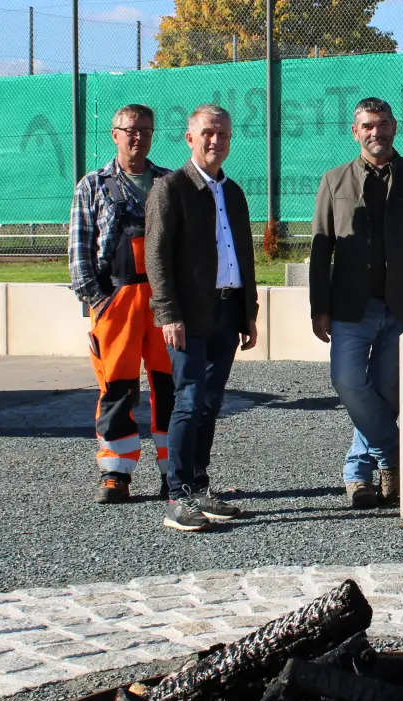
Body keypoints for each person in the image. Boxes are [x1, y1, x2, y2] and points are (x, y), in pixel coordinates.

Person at [310, 97, 403, 510]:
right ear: (355, 132)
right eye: (368, 125)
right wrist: (319, 307)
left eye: (383, 123)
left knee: (387, 390)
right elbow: (320, 248)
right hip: (351, 306)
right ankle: (391, 455)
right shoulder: (334, 180)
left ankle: (358, 474)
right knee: (347, 381)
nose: (377, 132)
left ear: (395, 126)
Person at [144, 105, 260, 532]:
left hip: (227, 311)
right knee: (189, 400)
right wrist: (167, 313)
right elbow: (156, 256)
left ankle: (199, 485)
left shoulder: (234, 193)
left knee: (210, 403)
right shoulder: (170, 188)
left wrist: (249, 313)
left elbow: (243, 257)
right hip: (187, 315)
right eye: (208, 133)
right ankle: (176, 496)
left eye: (223, 134)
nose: (216, 141)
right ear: (190, 137)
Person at [69, 103, 173, 504]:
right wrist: (99, 301)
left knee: (170, 387)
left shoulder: (169, 182)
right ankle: (115, 472)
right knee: (116, 388)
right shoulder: (93, 185)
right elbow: (79, 251)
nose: (138, 137)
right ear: (114, 134)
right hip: (117, 301)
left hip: (165, 303)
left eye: (145, 130)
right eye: (130, 130)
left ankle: (174, 471)